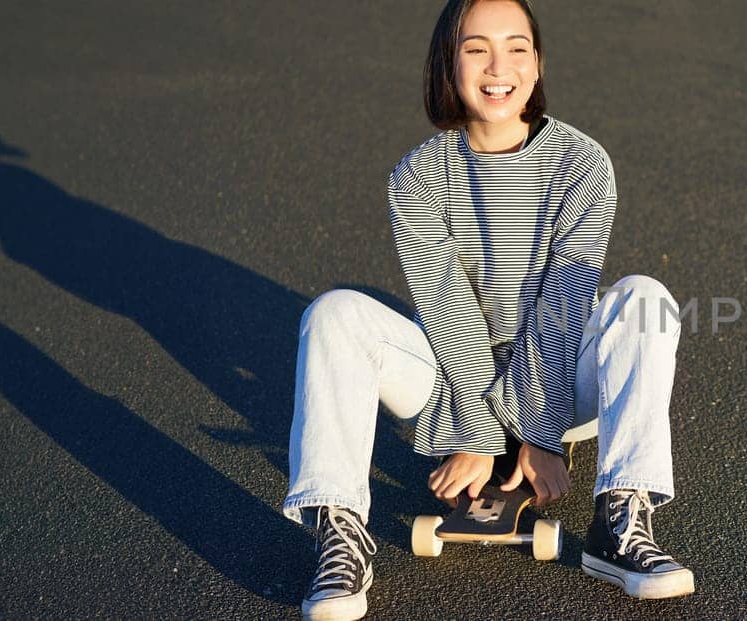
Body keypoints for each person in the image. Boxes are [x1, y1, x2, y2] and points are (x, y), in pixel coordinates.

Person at [280, 1, 694, 618]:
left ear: (537, 62)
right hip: (453, 378)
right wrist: (475, 432)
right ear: (448, 62)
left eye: (516, 47)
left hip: (560, 386)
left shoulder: (583, 163)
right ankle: (342, 534)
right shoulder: (418, 175)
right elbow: (448, 314)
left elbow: (560, 308)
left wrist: (540, 434)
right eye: (476, 48)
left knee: (645, 300)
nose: (498, 66)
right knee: (334, 314)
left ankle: (620, 523)